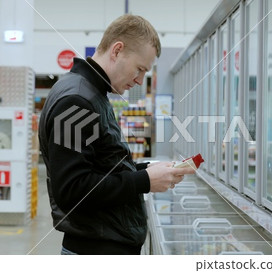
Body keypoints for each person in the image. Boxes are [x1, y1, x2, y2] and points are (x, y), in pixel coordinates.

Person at [38, 14, 196, 255]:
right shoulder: (77, 101)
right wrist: (144, 181)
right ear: (117, 50)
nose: (140, 80)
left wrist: (147, 170)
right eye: (140, 69)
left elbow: (100, 165)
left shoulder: (93, 94)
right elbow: (73, 190)